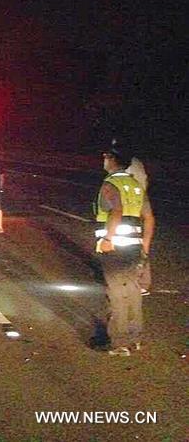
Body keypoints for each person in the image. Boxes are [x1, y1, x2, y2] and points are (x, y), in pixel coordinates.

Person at [96, 142, 155, 356]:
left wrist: (108, 238)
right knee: (132, 290)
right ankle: (135, 337)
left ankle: (119, 343)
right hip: (134, 244)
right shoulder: (136, 185)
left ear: (112, 160)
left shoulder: (110, 184)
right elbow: (149, 218)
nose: (104, 159)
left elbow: (116, 211)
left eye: (105, 156)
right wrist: (145, 245)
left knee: (116, 292)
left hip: (115, 245)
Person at [125, 155, 151, 295]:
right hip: (137, 199)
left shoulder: (127, 162)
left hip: (132, 202)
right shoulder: (137, 162)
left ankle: (137, 280)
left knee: (131, 241)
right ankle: (141, 281)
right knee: (138, 241)